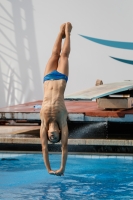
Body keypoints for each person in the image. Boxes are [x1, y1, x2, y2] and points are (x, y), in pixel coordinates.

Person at [40, 22, 72, 176]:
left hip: (47, 79)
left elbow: (44, 148)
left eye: (50, 138)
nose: (52, 138)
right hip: (60, 79)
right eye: (56, 138)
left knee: (53, 55)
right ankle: (68, 32)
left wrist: (48, 169)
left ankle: (60, 32)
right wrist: (62, 169)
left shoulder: (44, 123)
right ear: (60, 132)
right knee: (64, 55)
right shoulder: (63, 122)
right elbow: (64, 147)